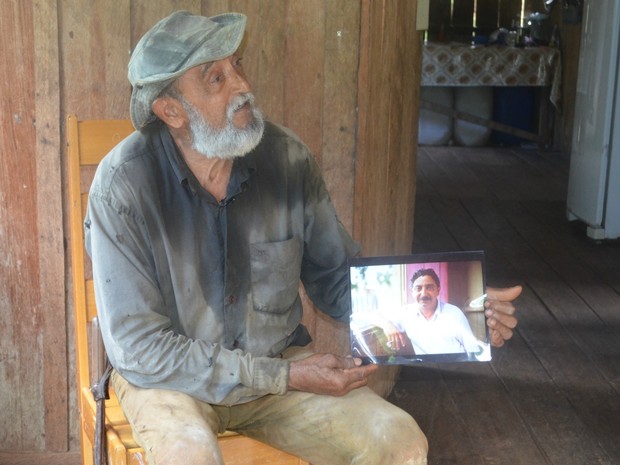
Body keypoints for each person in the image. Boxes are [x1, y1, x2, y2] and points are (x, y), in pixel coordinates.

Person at [85, 10, 521, 465]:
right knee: (187, 457)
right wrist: (284, 376)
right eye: (215, 78)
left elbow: (337, 283)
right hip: (173, 384)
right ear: (171, 110)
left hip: (279, 372)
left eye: (237, 65)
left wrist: (469, 307)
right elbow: (139, 348)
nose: (241, 86)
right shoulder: (123, 187)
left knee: (400, 442)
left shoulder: (287, 160)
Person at [380, 268, 484, 356]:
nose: (423, 293)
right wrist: (388, 326)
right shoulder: (406, 313)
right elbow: (371, 315)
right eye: (418, 288)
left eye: (429, 287)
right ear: (412, 292)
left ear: (438, 290)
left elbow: (473, 349)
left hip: (458, 368)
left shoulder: (454, 313)